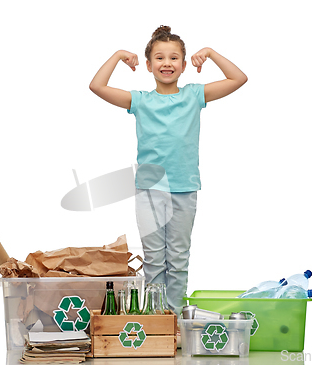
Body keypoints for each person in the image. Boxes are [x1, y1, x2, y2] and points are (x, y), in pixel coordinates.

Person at [90, 25, 247, 315]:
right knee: (154, 259)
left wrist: (210, 53)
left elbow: (239, 78)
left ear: (184, 65)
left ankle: (173, 319)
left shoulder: (194, 95)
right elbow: (97, 86)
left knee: (178, 258)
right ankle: (154, 319)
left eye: (174, 58)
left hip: (184, 188)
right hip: (149, 189)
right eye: (159, 58)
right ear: (148, 65)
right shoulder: (140, 100)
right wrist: (116, 55)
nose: (167, 63)